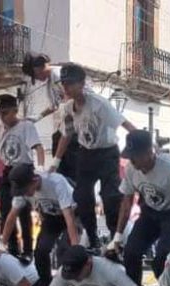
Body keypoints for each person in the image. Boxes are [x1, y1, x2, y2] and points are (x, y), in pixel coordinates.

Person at [53, 63, 136, 251]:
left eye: (70, 83)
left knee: (111, 197)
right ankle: (92, 238)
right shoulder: (66, 109)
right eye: (63, 84)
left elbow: (125, 123)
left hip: (107, 153)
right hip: (86, 154)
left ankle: (117, 239)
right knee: (82, 197)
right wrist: (55, 161)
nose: (65, 88)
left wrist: (143, 144)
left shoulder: (99, 104)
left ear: (82, 84)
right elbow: (66, 135)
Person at [110, 130, 170, 286]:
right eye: (130, 158)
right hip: (150, 211)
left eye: (135, 157)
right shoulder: (131, 169)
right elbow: (127, 202)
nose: (133, 162)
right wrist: (118, 236)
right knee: (131, 253)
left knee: (162, 260)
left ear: (149, 153)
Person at [0, 94, 45, 256]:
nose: (2, 117)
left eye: (5, 113)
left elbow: (38, 148)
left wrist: (40, 169)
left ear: (15, 111)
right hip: (8, 170)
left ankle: (27, 250)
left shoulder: (26, 126)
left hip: (24, 168)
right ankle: (12, 247)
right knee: (5, 210)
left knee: (23, 211)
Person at [21, 53, 81, 183]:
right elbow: (55, 105)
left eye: (35, 74)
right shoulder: (50, 83)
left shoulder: (59, 75)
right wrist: (37, 117)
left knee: (70, 161)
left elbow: (68, 98)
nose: (37, 78)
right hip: (63, 126)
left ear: (41, 67)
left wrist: (65, 115)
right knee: (58, 147)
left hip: (75, 124)